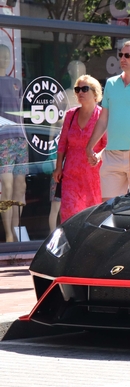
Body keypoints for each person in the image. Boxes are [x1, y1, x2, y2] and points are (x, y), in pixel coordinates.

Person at [85, 40, 130, 201]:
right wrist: (90, 146)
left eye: (127, 55)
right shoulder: (110, 83)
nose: (122, 59)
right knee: (109, 208)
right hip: (112, 155)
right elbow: (104, 119)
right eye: (120, 55)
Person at [52, 75, 107, 222]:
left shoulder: (102, 115)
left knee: (93, 215)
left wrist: (99, 155)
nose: (80, 92)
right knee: (70, 215)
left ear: (95, 93)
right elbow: (62, 142)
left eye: (84, 89)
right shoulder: (71, 114)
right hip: (71, 173)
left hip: (94, 174)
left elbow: (108, 144)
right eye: (77, 89)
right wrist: (58, 167)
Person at [0, 43, 28, 242]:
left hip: (20, 139)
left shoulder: (17, 83)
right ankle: (8, 233)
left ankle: (17, 231)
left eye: (7, 56)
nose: (5, 59)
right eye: (1, 56)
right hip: (2, 141)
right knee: (7, 186)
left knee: (20, 187)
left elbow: (21, 114)